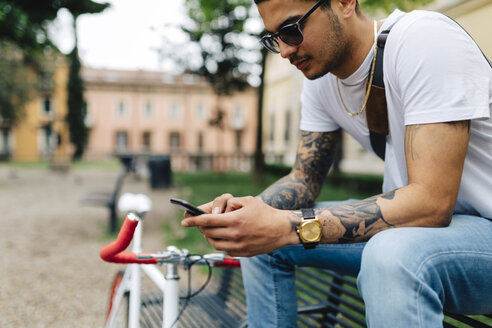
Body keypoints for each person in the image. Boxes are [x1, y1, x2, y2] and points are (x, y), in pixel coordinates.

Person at [181, 0, 492, 326]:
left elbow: (430, 203)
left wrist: (285, 227)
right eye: (274, 38)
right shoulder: (321, 81)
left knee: (391, 254)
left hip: (463, 231)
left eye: (292, 30)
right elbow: (303, 180)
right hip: (423, 233)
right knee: (265, 242)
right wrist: (248, 216)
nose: (285, 51)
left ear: (344, 3)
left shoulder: (424, 40)